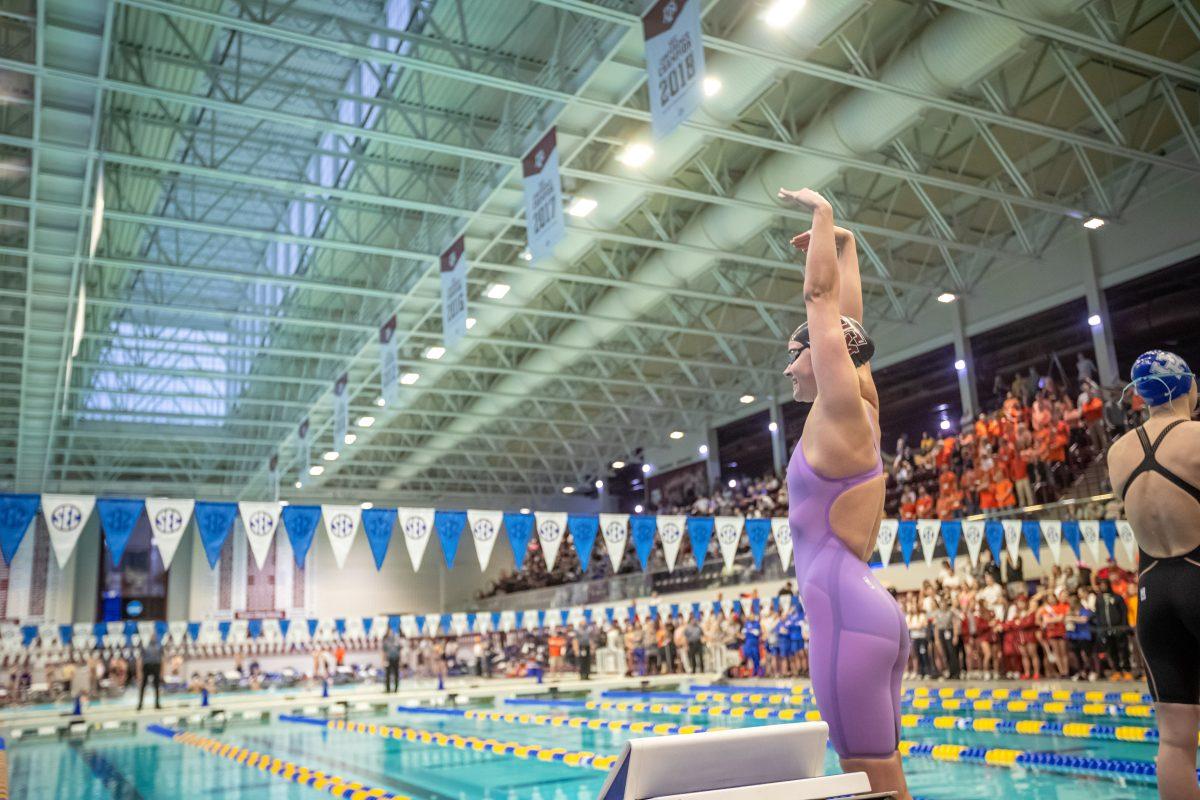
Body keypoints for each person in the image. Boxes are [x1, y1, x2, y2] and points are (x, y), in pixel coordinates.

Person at [780, 187, 910, 799]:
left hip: (845, 616)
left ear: (825, 354)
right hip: (866, 607)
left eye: (796, 353)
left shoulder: (838, 408)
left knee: (868, 778)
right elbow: (849, 322)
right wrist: (846, 246)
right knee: (882, 777)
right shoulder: (857, 404)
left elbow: (824, 303)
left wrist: (824, 214)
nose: (789, 368)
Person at [1106, 349, 1200, 800]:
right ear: (1187, 386)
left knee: (1175, 740)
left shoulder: (1118, 453)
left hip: (1153, 593)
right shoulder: (1196, 438)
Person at [137, 633, 163, 711]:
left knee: (157, 687)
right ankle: (140, 704)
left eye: (154, 636)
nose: (153, 638)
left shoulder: (159, 646)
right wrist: (139, 671)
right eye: (151, 636)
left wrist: (162, 671)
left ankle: (157, 704)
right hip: (147, 666)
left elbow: (162, 659)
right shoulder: (145, 646)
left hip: (156, 666)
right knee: (143, 686)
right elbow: (140, 659)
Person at [382, 628, 402, 693]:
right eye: (390, 631)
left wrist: (400, 660)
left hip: (396, 659)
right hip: (389, 659)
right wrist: (384, 660)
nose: (391, 633)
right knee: (387, 675)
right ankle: (388, 689)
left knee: (396, 675)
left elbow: (399, 651)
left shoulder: (397, 640)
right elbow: (384, 652)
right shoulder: (386, 641)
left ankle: (396, 689)